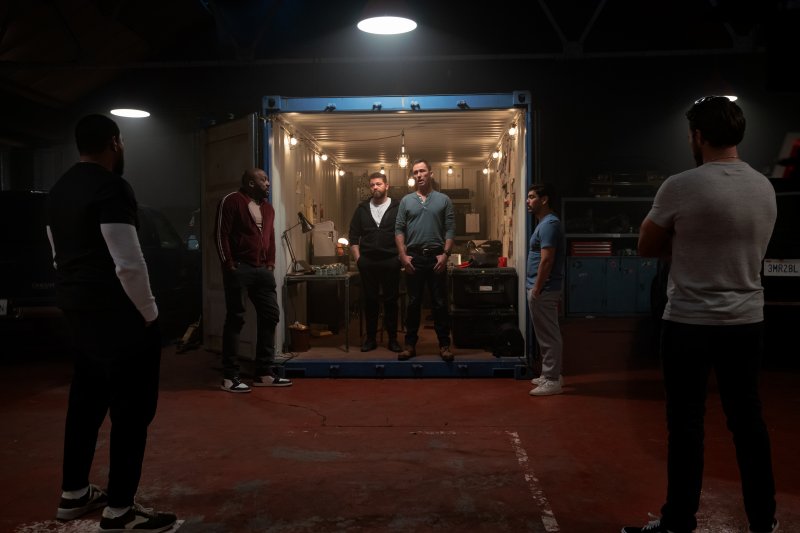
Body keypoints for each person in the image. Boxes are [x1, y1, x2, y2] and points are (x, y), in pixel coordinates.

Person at [622, 96, 779, 533]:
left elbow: (646, 246)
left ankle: (679, 521)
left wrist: (686, 245)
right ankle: (763, 521)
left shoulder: (682, 185)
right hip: (746, 321)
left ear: (698, 136)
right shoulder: (763, 187)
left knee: (686, 424)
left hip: (689, 321)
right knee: (748, 422)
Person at [46, 113, 177, 531]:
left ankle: (73, 493)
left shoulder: (59, 189)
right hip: (119, 316)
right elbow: (128, 262)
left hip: (77, 311)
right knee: (131, 412)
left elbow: (57, 254)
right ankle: (120, 508)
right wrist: (149, 313)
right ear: (115, 143)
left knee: (85, 403)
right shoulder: (112, 187)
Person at [215, 168, 292, 392]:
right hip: (240, 268)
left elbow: (270, 237)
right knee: (236, 318)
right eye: (263, 179)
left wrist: (271, 263)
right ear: (250, 183)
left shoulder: (268, 208)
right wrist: (229, 264)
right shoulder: (232, 200)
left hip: (262, 270)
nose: (268, 183)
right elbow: (221, 234)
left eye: (267, 179)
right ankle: (230, 376)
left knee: (271, 315)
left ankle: (264, 373)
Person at [394, 159, 455, 361]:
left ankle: (444, 345)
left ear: (431, 173)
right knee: (413, 303)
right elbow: (399, 229)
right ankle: (410, 345)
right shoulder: (406, 201)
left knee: (440, 303)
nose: (419, 175)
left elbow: (450, 229)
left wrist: (445, 255)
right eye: (415, 172)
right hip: (414, 257)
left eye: (422, 171)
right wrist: (403, 256)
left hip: (437, 256)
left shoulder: (443, 200)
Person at [348, 171, 403, 353]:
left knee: (391, 301)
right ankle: (370, 339)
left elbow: (405, 232)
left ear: (386, 186)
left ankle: (393, 340)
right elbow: (353, 235)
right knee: (370, 300)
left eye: (378, 184)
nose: (375, 187)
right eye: (372, 185)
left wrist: (400, 257)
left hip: (391, 260)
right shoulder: (362, 209)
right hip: (368, 262)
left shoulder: (397, 207)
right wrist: (359, 259)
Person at [525, 184, 566, 396]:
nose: (528, 201)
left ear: (544, 199)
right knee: (544, 334)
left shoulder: (549, 224)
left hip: (544, 289)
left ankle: (552, 380)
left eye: (532, 197)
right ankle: (550, 373)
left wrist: (537, 288)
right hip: (540, 288)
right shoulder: (543, 223)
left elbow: (547, 260)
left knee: (549, 335)